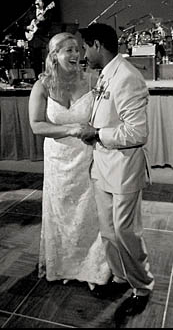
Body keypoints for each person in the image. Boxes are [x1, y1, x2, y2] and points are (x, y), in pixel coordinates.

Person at [79, 22, 155, 319]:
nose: (84, 53)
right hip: (103, 166)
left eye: (85, 47)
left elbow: (137, 133)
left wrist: (97, 134)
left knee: (126, 232)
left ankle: (143, 287)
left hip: (123, 167)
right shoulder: (105, 75)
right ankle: (122, 277)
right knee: (109, 232)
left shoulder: (127, 77)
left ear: (97, 45)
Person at [28, 33, 111, 289]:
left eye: (78, 49)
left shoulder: (93, 81)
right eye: (69, 50)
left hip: (87, 157)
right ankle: (63, 264)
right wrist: (72, 129)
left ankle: (93, 268)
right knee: (62, 211)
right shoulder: (41, 86)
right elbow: (36, 125)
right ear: (54, 56)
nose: (76, 55)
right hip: (57, 160)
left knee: (88, 213)